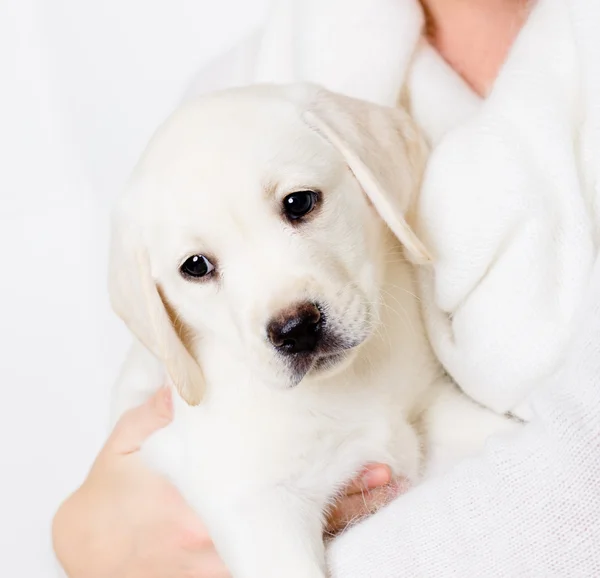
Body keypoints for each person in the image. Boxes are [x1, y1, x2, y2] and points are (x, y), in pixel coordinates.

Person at [52, 0, 600, 576]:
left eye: (298, 204)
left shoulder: (312, 118)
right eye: (196, 267)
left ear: (375, 174)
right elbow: (225, 501)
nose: (288, 315)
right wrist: (87, 538)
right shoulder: (238, 86)